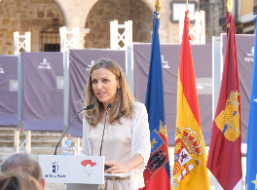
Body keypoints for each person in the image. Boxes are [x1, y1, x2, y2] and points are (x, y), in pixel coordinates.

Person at [80, 58, 151, 190]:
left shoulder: (137, 111)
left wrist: (126, 166)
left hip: (124, 184)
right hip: (93, 185)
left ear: (119, 82)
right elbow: (85, 152)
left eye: (105, 80)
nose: (98, 87)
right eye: (94, 81)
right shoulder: (89, 115)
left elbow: (144, 149)